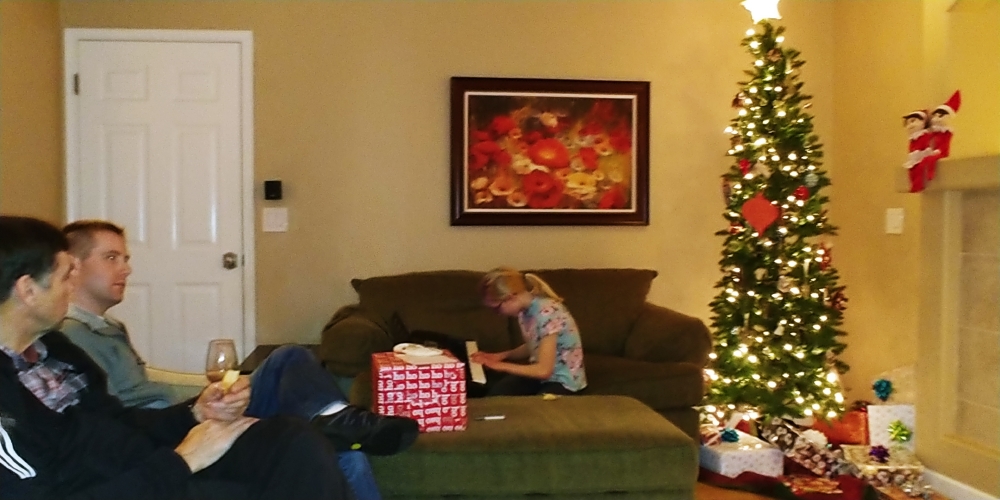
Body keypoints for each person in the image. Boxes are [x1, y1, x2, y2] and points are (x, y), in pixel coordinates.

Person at [0, 215, 354, 500]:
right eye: (64, 277)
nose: (71, 286)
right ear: (28, 290)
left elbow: (119, 420)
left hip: (145, 462)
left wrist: (194, 413)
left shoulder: (54, 349)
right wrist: (182, 461)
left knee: (292, 439)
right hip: (127, 484)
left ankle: (345, 425)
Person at [59, 219, 419, 500]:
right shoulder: (70, 337)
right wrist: (195, 411)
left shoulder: (105, 327)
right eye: (111, 258)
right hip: (178, 435)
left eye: (126, 259)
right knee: (290, 362)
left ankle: (338, 419)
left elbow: (145, 383)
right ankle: (341, 418)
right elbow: (111, 418)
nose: (126, 269)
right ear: (72, 267)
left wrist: (203, 398)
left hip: (188, 415)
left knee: (318, 408)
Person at [470, 267, 587, 396]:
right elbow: (534, 344)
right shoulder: (525, 312)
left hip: (563, 381)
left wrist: (499, 365)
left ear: (511, 297)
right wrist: (501, 356)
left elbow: (543, 370)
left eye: (497, 309)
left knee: (534, 405)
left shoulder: (547, 313)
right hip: (542, 376)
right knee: (498, 393)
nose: (498, 314)